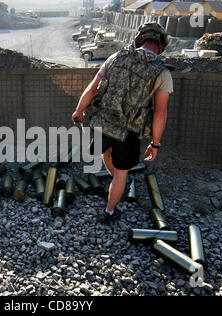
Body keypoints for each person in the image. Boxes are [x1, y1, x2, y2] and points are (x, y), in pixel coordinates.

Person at [72, 22, 174, 223]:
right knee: (121, 173)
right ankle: (110, 211)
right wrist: (155, 143)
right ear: (161, 45)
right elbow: (160, 113)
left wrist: (79, 111)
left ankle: (116, 186)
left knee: (106, 153)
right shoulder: (162, 72)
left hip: (104, 122)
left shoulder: (115, 57)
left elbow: (92, 88)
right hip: (129, 131)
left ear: (140, 39)